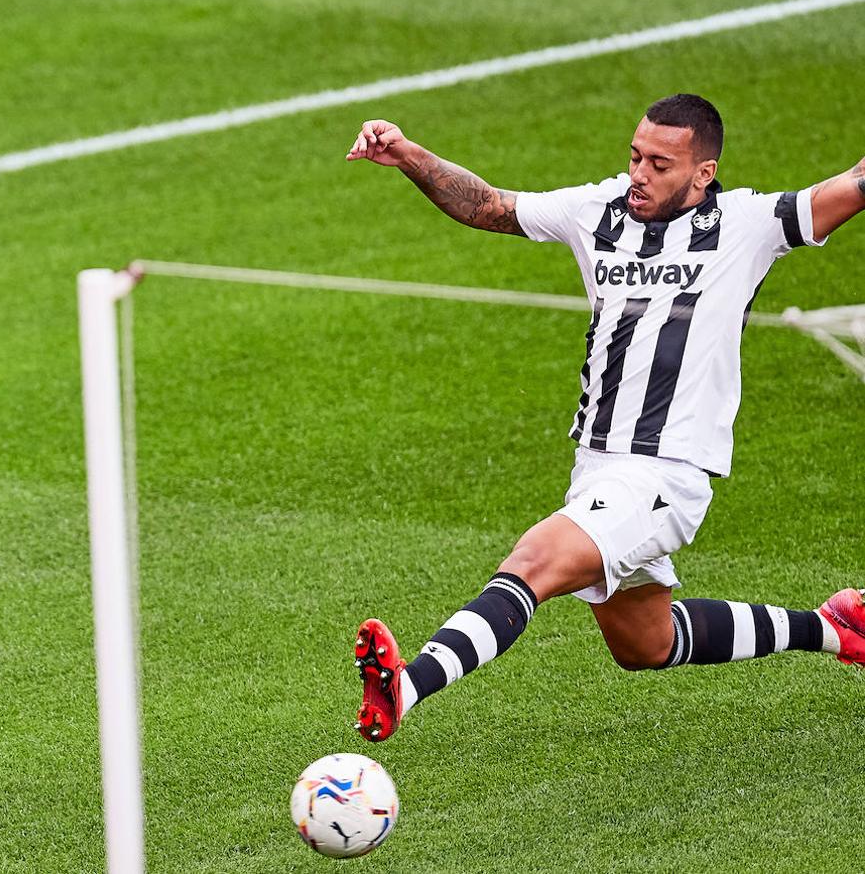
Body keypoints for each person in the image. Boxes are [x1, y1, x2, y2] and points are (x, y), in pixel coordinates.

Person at [344, 94, 865, 742]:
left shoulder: (749, 223)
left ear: (702, 174)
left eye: (659, 164)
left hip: (661, 476)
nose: (638, 175)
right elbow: (490, 206)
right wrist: (408, 156)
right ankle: (836, 628)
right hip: (596, 469)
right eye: (634, 156)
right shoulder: (598, 211)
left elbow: (853, 185)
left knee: (532, 561)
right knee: (643, 643)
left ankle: (408, 684)